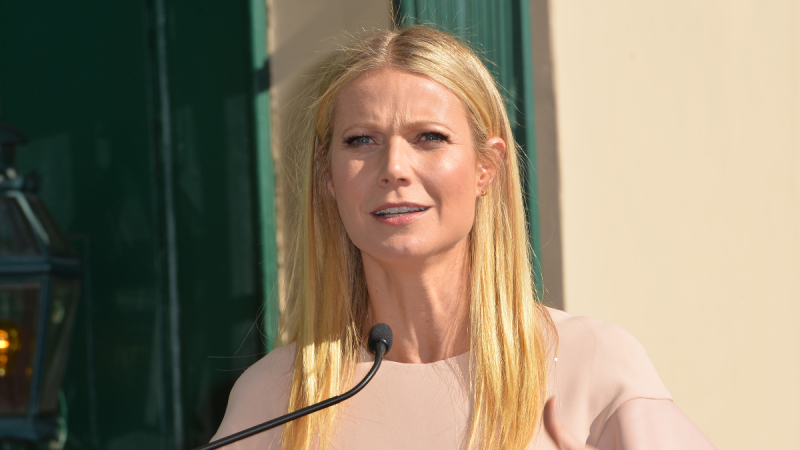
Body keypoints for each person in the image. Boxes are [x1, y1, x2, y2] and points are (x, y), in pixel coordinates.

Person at [211, 26, 716, 449]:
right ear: (328, 176)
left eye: (429, 137)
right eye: (362, 140)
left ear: (486, 167)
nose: (394, 168)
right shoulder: (274, 397)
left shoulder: (589, 363)